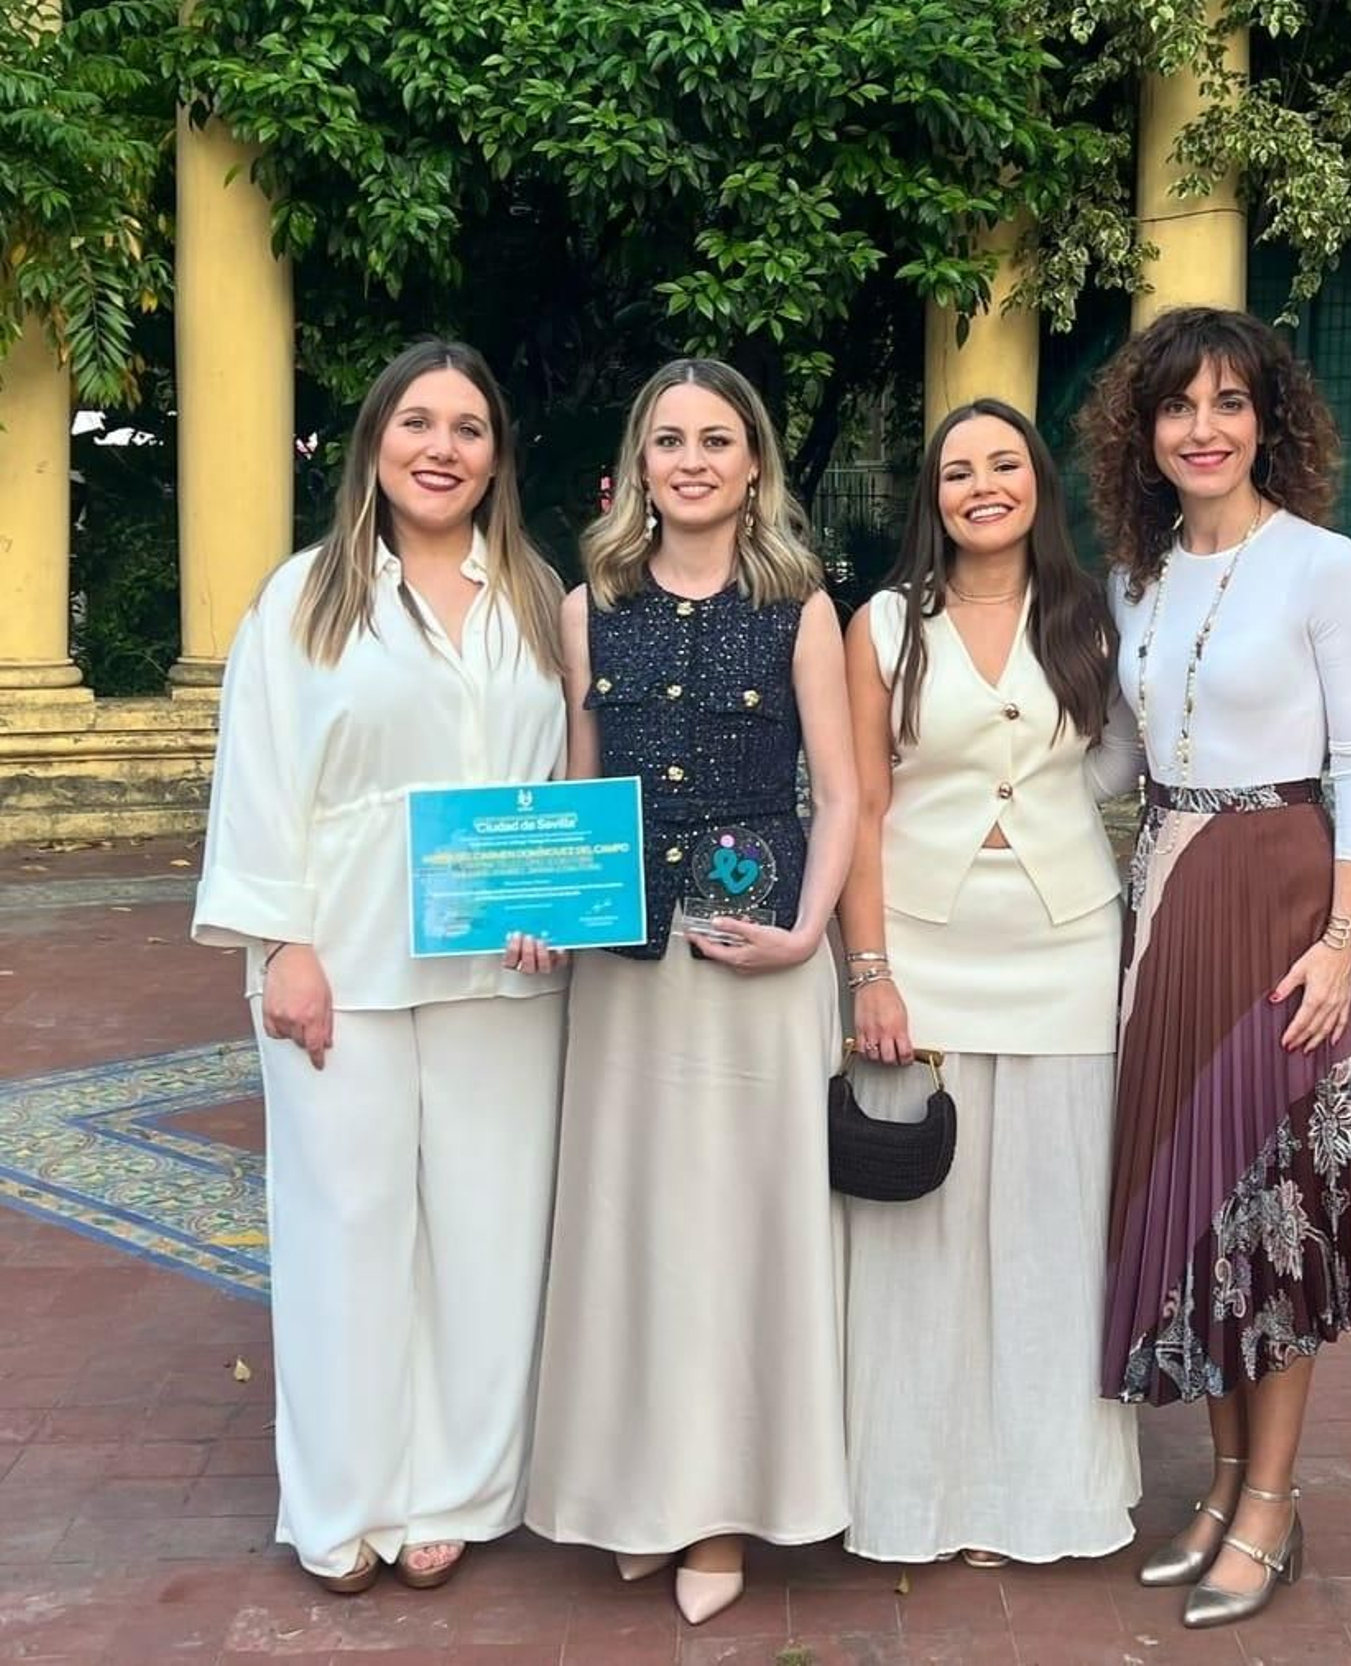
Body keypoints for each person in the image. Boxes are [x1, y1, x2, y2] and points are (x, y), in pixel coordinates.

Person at [192, 340, 569, 1594]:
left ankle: (452, 1489)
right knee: (342, 1228)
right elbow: (260, 779)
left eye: (468, 427)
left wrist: (557, 901)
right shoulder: (303, 598)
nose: (442, 447)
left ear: (496, 458)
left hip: (501, 971)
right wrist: (280, 943)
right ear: (374, 443)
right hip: (341, 961)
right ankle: (342, 1500)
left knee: (485, 1230)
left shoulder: (532, 595)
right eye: (418, 421)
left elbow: (562, 787)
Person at [524, 358, 857, 1626]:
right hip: (626, 969)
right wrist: (544, 907)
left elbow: (839, 792)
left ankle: (721, 1509)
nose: (694, 460)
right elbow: (576, 783)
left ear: (754, 464)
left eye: (719, 440)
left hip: (755, 958)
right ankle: (635, 1490)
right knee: (628, 1229)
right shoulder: (588, 604)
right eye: (670, 440)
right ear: (640, 463)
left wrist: (811, 934)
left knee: (737, 1237)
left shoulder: (799, 606)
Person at [1079, 306, 1351, 1628]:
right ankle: (1217, 1484)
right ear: (1143, 433)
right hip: (1165, 898)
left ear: (1269, 418)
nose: (1202, 430)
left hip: (1284, 905)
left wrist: (1343, 937)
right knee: (1196, 1205)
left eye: (1228, 403)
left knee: (1282, 1210)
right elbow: (1104, 761)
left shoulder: (1327, 567)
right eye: (1176, 407)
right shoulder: (1133, 578)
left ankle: (1274, 1502)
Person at [834, 398, 1142, 1567]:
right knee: (925, 1228)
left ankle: (1042, 1493)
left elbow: (1119, 752)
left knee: (1052, 1224)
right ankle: (917, 1490)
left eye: (1003, 464)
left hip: (1064, 941)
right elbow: (859, 802)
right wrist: (870, 968)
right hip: (924, 942)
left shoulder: (1093, 614)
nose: (981, 485)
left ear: (1036, 483)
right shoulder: (883, 624)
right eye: (957, 470)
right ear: (934, 497)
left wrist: (1059, 810)